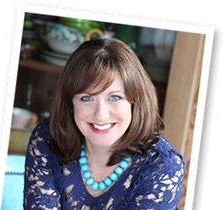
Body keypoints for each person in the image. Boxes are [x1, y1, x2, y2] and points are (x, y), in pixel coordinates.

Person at [24, 38, 185, 209]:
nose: (101, 115)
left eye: (115, 97)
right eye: (86, 98)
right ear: (70, 104)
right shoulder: (47, 137)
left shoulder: (162, 166)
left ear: (135, 101)